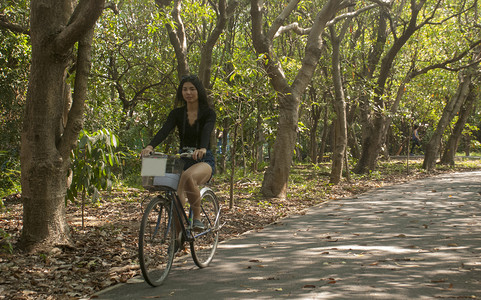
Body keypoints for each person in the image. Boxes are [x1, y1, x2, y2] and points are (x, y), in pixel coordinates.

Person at [141, 75, 216, 233]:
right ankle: (179, 239)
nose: (188, 92)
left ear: (198, 91)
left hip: (203, 159)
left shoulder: (208, 113)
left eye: (192, 89)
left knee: (189, 177)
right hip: (183, 158)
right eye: (185, 89)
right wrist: (150, 146)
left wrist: (202, 148)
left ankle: (197, 219)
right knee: (175, 198)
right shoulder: (176, 114)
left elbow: (206, 131)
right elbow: (164, 131)